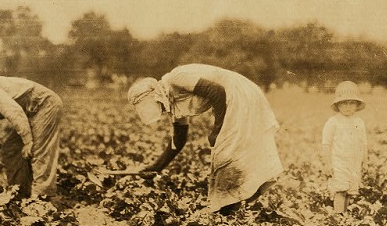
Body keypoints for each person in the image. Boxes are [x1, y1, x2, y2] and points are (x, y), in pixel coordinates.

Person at [126, 63, 284, 215]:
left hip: (239, 94)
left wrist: (217, 130)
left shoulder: (176, 78)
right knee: (232, 152)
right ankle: (236, 204)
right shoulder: (172, 103)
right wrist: (155, 167)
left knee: (225, 152)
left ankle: (231, 207)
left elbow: (217, 92)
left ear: (156, 95)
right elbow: (179, 140)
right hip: (239, 97)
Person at [321, 81, 368, 214]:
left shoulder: (359, 122)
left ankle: (345, 216)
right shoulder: (333, 122)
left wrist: (365, 161)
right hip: (339, 162)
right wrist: (327, 164)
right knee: (340, 190)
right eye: (344, 103)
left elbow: (363, 143)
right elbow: (326, 144)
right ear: (337, 104)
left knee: (349, 191)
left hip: (354, 162)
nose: (348, 106)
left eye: (351, 103)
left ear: (357, 104)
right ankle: (338, 217)